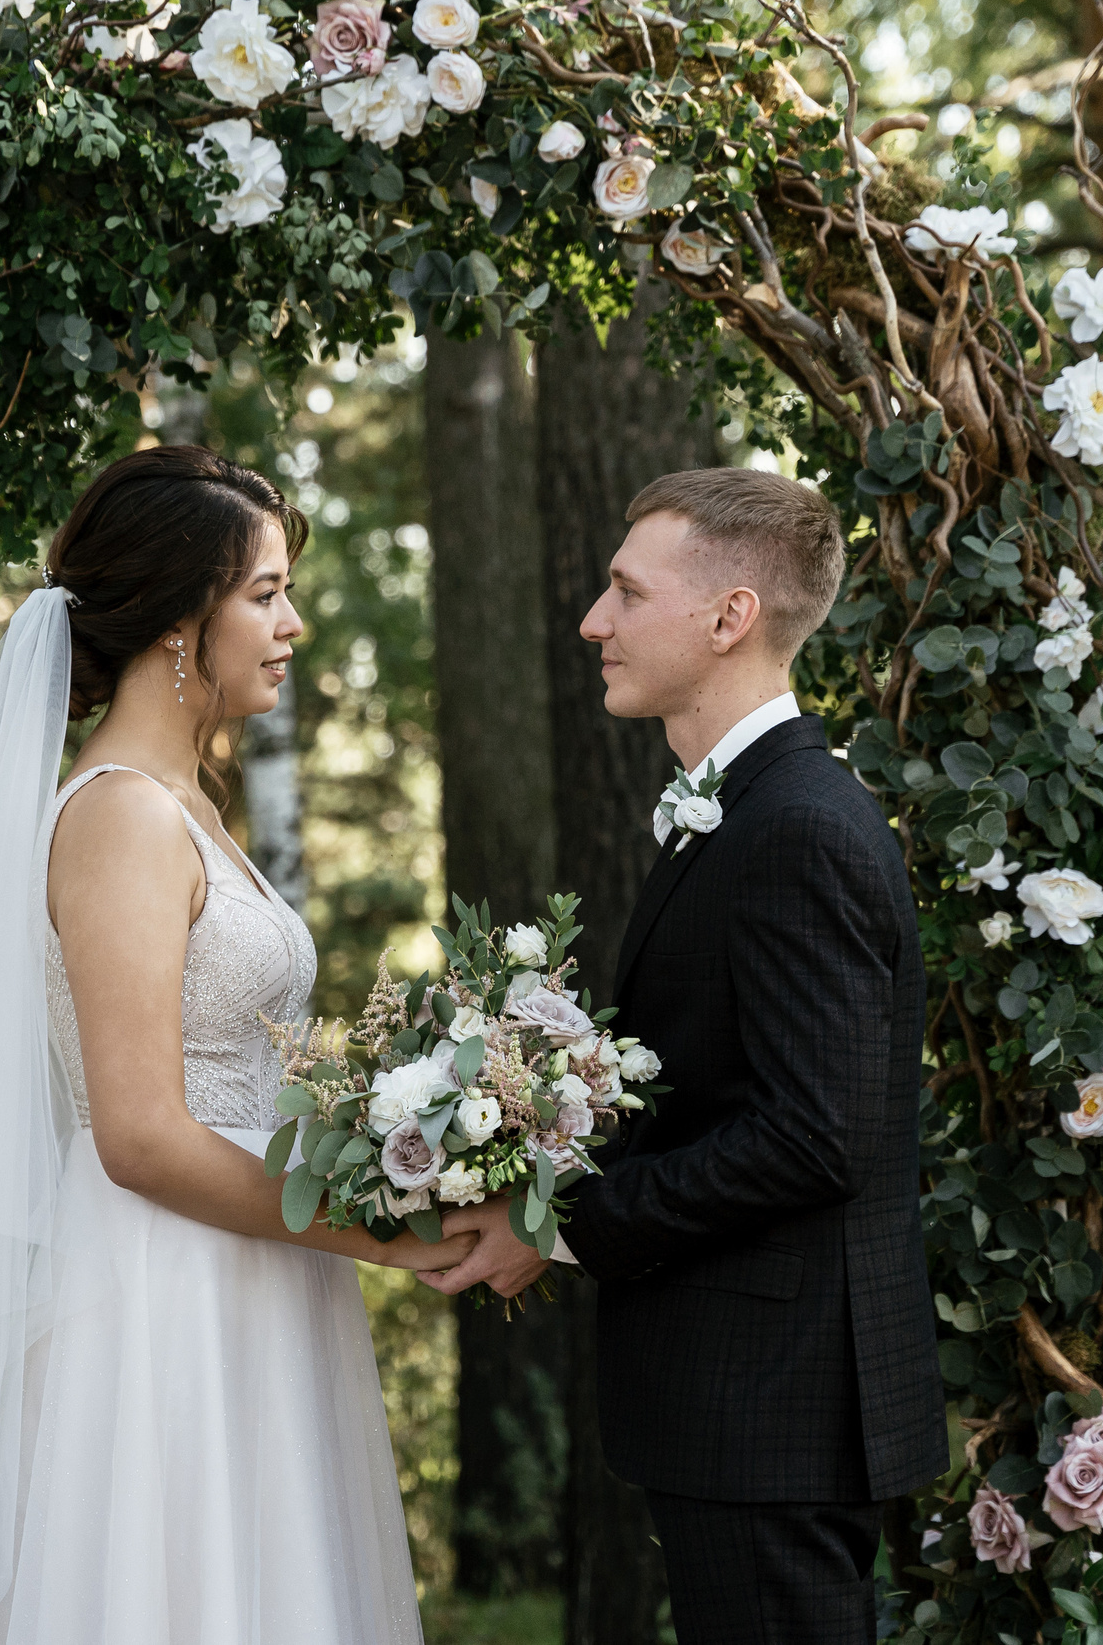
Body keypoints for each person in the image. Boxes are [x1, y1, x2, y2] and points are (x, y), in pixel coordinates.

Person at [0, 446, 462, 1645]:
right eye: (264, 593)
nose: (292, 622)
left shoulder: (188, 805)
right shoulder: (119, 818)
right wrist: (391, 1235)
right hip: (163, 1288)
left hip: (251, 1260)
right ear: (174, 622)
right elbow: (141, 1135)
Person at [422, 467, 949, 1645]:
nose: (592, 622)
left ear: (729, 618)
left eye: (623, 591)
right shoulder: (746, 811)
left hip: (776, 1403)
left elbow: (811, 1140)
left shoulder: (798, 827)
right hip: (745, 1400)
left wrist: (560, 1223)